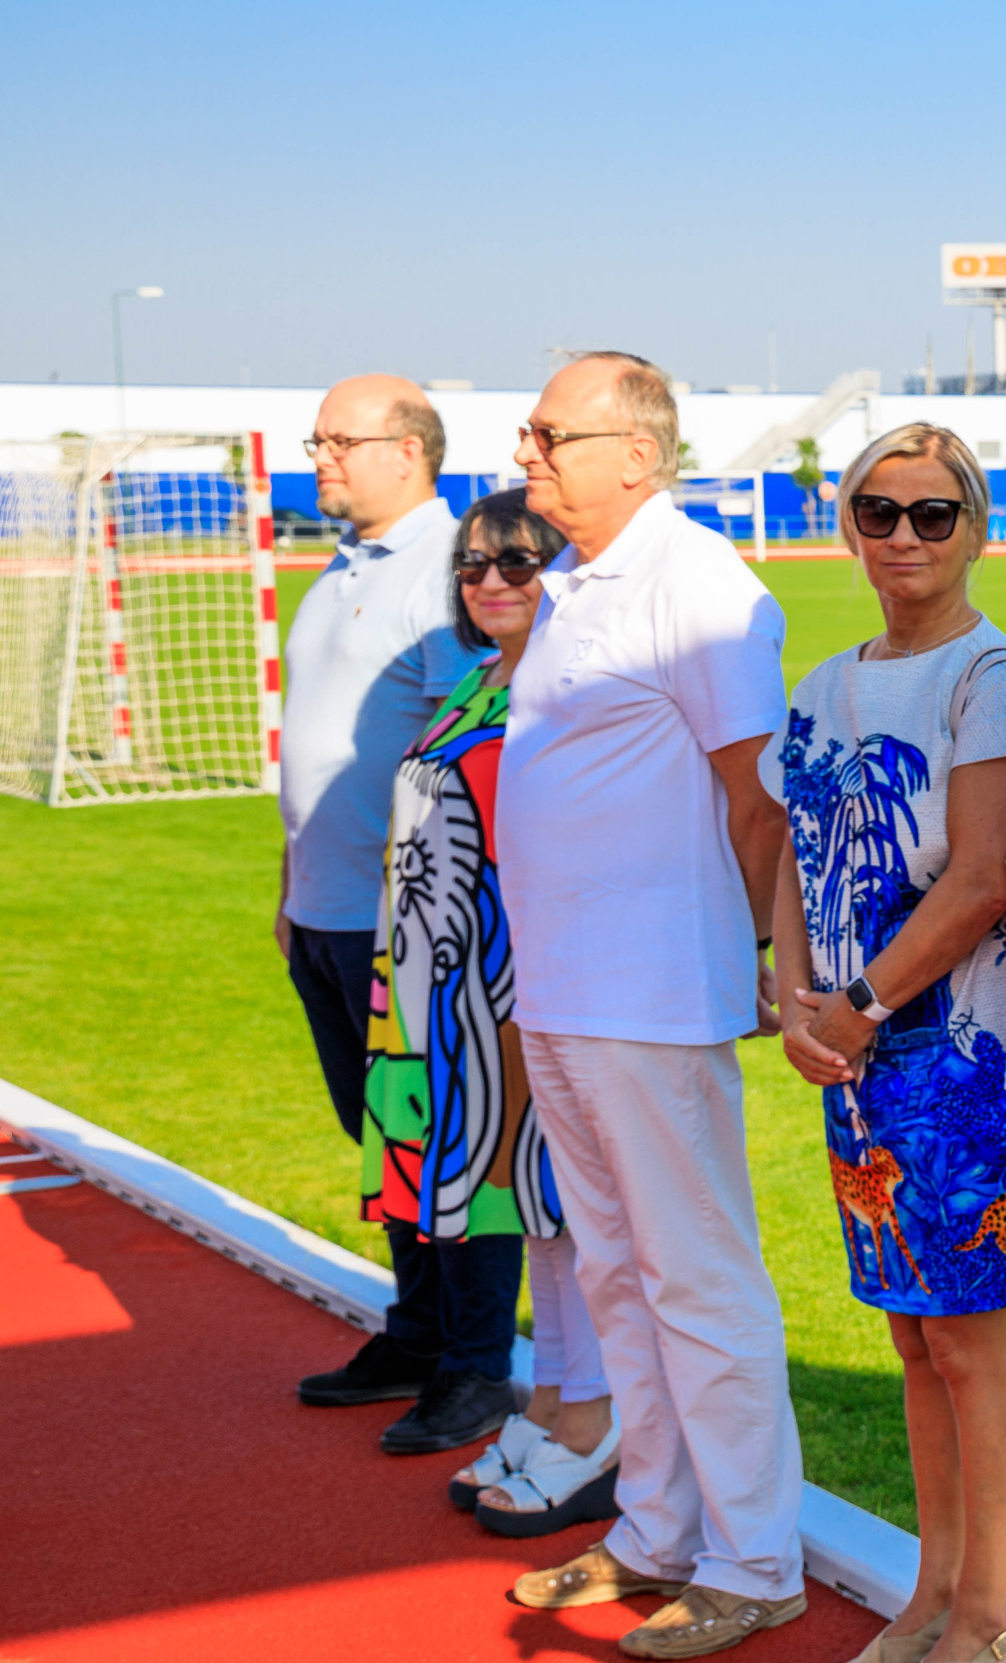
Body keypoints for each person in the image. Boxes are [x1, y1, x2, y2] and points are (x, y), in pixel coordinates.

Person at [495, 351, 808, 1659]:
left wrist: (769, 954)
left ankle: (754, 1563)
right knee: (618, 1275)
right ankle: (656, 1529)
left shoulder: (700, 585)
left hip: (652, 994)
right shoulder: (575, 587)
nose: (527, 451)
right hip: (567, 991)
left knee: (697, 1278)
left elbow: (759, 795)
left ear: (638, 452)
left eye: (550, 434)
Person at [767, 424, 1006, 1663]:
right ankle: (931, 1593)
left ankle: (986, 1610)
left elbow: (982, 878)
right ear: (850, 525)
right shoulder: (822, 686)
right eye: (879, 511)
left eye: (934, 513)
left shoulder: (992, 678)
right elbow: (794, 851)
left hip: (956, 1060)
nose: (904, 536)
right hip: (852, 1058)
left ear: (975, 528)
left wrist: (858, 1007)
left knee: (972, 1342)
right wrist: (796, 996)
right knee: (911, 1334)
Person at [357, 485, 621, 1537]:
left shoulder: (564, 687)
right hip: (446, 993)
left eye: (518, 560)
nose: (490, 579)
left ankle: (594, 1416)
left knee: (560, 1206)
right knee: (523, 1214)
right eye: (472, 563)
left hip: (518, 991)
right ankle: (550, 1403)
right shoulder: (478, 680)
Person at [279, 374, 505, 1448]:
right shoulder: (339, 571)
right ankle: (417, 1334)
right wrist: (290, 891)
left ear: (408, 449)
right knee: (385, 1140)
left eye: (339, 440)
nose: (320, 457)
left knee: (447, 1138)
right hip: (323, 915)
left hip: (412, 924)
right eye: (317, 441)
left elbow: (478, 740)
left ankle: (476, 1364)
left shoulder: (453, 568)